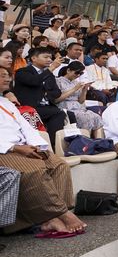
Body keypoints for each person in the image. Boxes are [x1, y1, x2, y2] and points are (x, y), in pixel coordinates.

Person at [0, 67, 84, 235]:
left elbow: (26, 127)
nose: (7, 79)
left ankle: (52, 217)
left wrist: (38, 145)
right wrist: (16, 148)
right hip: (6, 150)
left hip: (24, 146)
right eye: (2, 76)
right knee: (34, 170)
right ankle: (60, 214)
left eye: (8, 75)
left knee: (59, 165)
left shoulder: (7, 102)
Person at [13, 46, 67, 147]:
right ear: (34, 58)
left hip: (47, 106)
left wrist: (46, 93)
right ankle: (52, 145)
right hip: (29, 107)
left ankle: (64, 144)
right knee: (58, 113)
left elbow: (57, 92)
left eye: (50, 57)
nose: (49, 60)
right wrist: (51, 68)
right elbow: (34, 81)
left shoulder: (49, 74)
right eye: (46, 57)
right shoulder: (22, 71)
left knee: (69, 114)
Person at [54, 62, 103, 132]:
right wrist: (75, 89)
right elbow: (56, 99)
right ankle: (85, 137)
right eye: (77, 73)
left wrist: (84, 90)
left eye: (81, 73)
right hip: (65, 107)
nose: (78, 75)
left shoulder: (76, 83)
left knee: (96, 117)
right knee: (85, 118)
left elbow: (81, 101)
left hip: (79, 107)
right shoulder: (58, 81)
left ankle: (98, 138)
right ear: (68, 70)